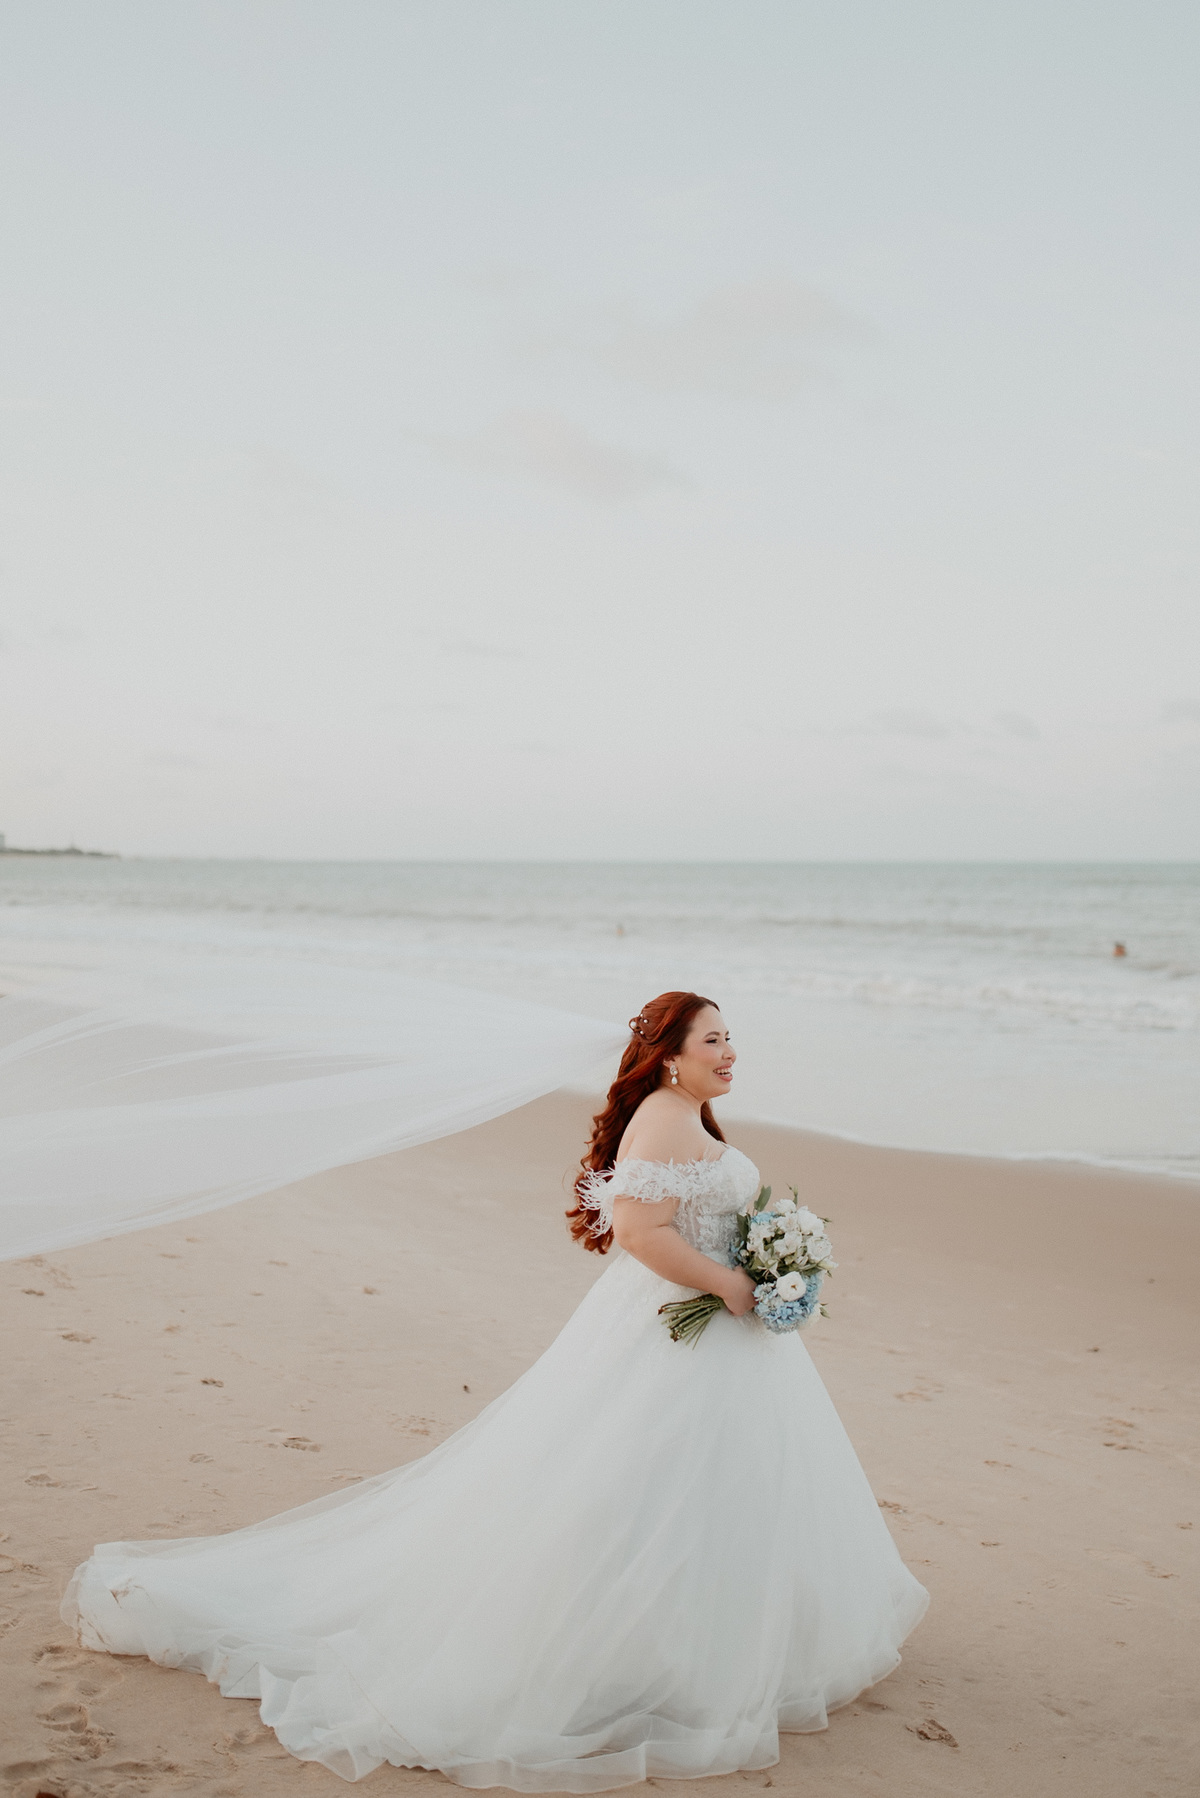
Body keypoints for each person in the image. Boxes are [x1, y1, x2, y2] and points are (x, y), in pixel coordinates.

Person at [64, 990, 927, 1791]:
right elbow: (637, 1231)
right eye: (713, 1040)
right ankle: (622, 1650)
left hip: (714, 1335)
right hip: (678, 1329)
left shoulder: (684, 1115)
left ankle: (711, 1641)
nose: (730, 1051)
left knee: (713, 1490)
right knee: (638, 1486)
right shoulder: (664, 1121)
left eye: (730, 1037)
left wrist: (768, 1264)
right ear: (668, 1056)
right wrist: (735, 1285)